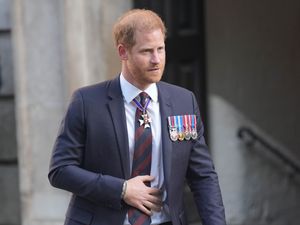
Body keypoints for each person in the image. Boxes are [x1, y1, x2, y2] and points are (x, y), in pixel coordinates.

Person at [48, 9, 226, 225]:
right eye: (146, 51)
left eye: (160, 49)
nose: (156, 59)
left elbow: (203, 176)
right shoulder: (87, 102)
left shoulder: (183, 102)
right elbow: (60, 170)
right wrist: (122, 189)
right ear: (123, 52)